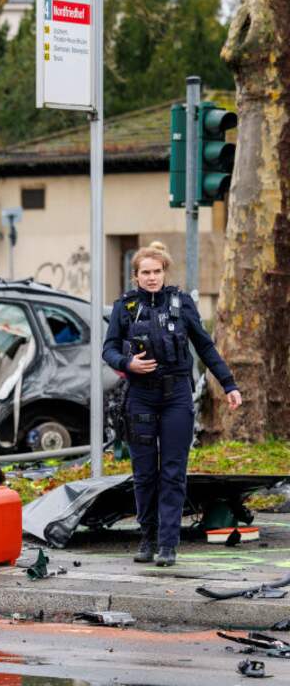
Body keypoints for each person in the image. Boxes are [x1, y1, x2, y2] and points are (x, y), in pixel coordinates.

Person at [102, 241, 242, 567]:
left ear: (165, 272)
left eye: (157, 272)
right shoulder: (124, 307)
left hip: (177, 395)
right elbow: (107, 349)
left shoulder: (182, 303)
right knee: (144, 473)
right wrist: (127, 363)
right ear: (135, 275)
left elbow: (206, 348)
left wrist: (229, 385)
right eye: (145, 273)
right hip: (140, 396)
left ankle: (168, 544)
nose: (152, 278)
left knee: (173, 472)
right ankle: (147, 538)